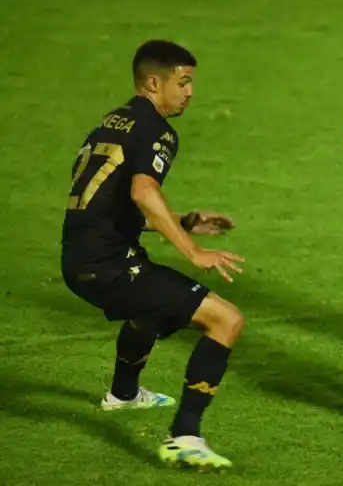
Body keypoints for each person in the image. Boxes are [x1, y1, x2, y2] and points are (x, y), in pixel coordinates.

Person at [60, 40, 246, 469]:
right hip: (107, 265)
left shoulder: (111, 123)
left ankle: (123, 395)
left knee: (149, 302)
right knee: (226, 320)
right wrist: (194, 251)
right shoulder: (157, 130)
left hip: (81, 260)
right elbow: (144, 192)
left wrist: (182, 222)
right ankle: (185, 435)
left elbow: (109, 201)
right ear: (152, 82)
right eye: (182, 82)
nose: (189, 92)